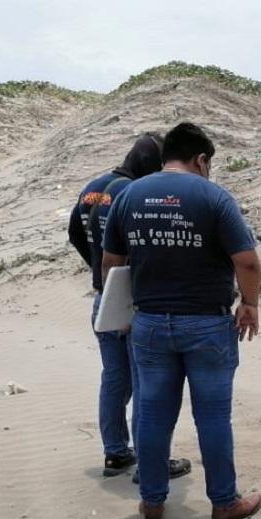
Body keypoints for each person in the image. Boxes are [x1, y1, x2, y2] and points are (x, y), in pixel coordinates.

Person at [102, 122, 261, 519]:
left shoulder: (129, 195)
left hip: (150, 324)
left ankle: (152, 502)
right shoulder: (213, 196)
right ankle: (224, 503)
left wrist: (121, 314)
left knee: (153, 415)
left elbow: (111, 264)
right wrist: (250, 303)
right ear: (202, 159)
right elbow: (246, 260)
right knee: (211, 416)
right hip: (207, 325)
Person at [68, 134, 192, 482]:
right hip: (132, 302)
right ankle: (152, 462)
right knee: (148, 385)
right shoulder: (135, 194)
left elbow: (78, 233)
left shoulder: (95, 187)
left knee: (114, 379)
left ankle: (116, 453)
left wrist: (98, 269)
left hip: (103, 299)